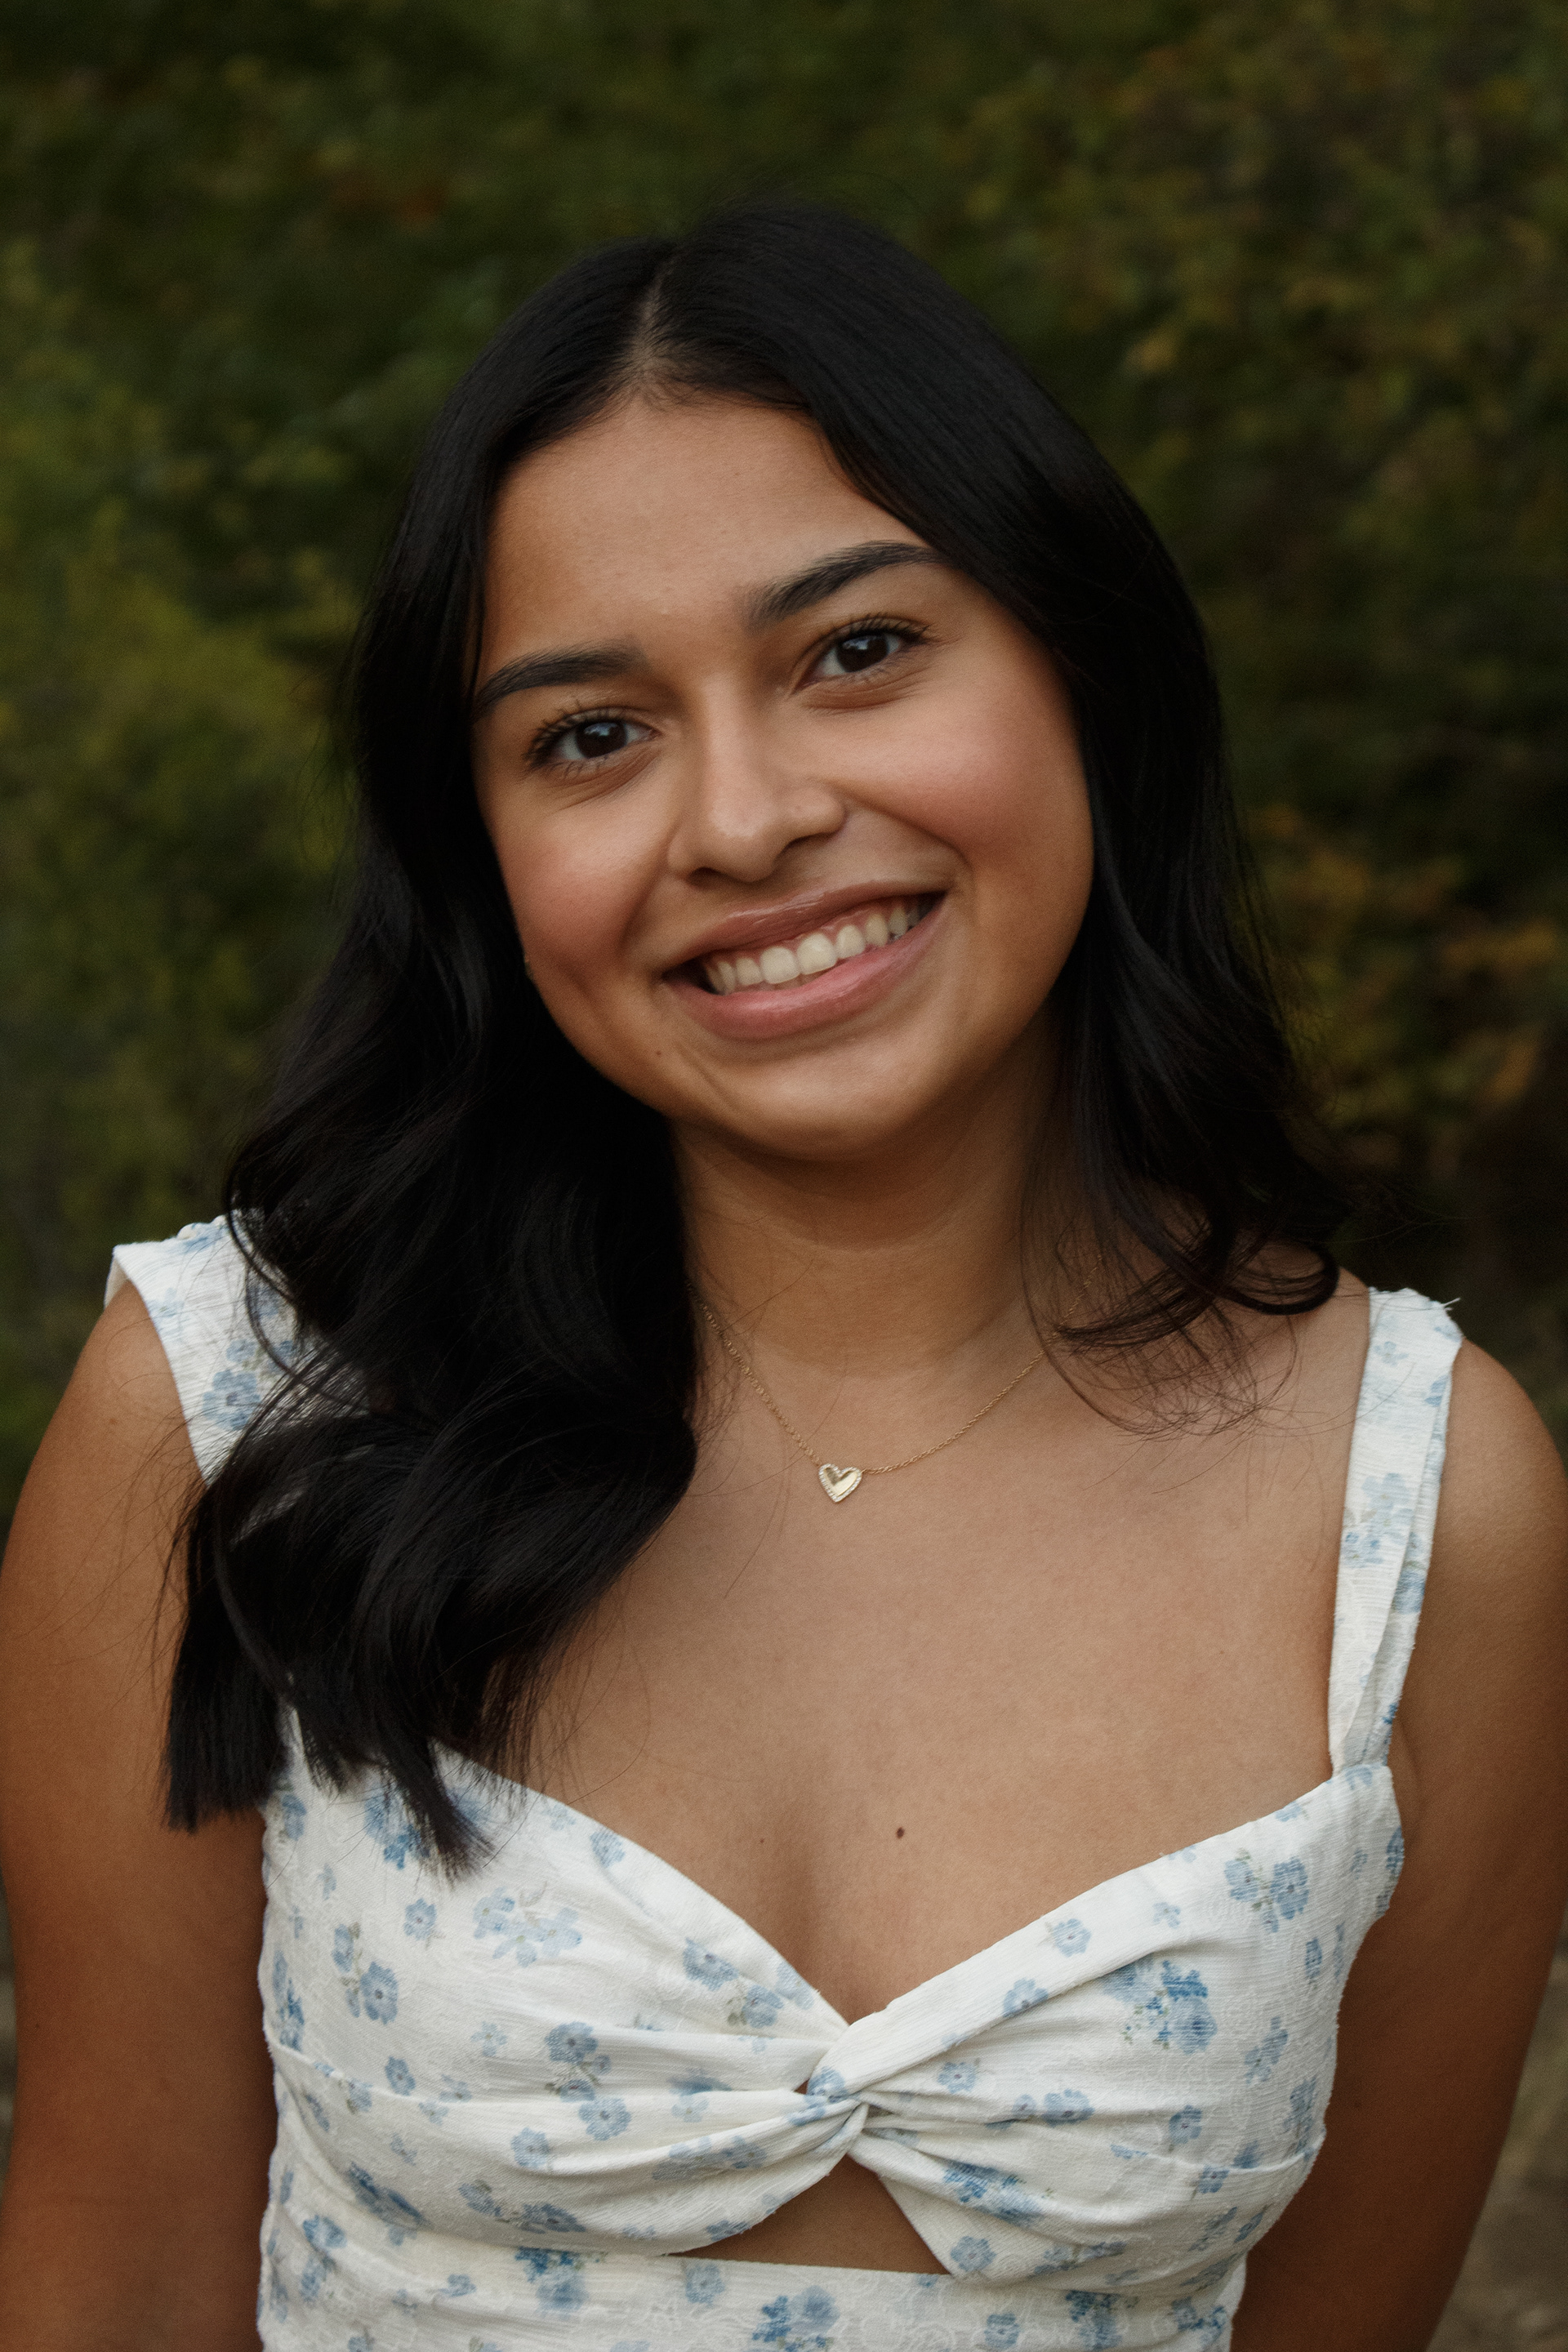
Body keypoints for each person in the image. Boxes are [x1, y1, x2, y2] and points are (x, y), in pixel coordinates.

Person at [0, 203, 1563, 2352]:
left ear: (1082, 672)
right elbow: (115, 2288)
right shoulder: (233, 1418)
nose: (740, 820)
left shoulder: (1426, 1506)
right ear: (480, 853)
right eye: (589, 737)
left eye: (855, 654)